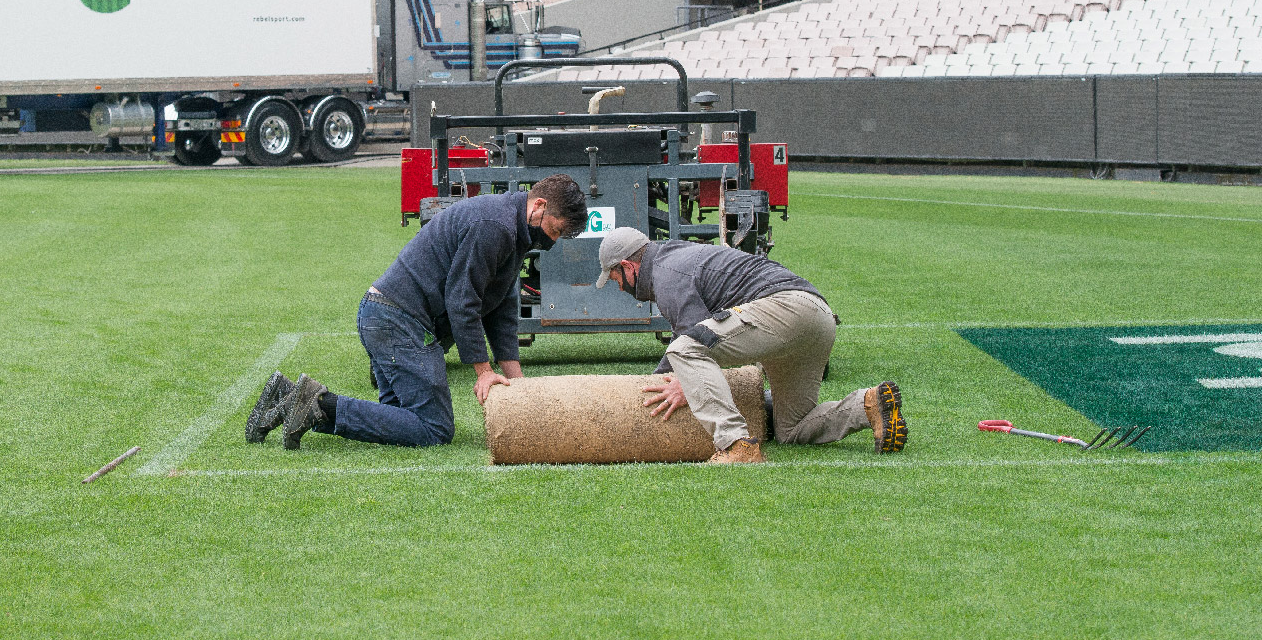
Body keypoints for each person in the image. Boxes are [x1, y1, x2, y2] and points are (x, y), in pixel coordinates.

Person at [246, 174, 589, 449]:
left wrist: (517, 383)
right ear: (539, 205)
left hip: (387, 317)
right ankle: (317, 404)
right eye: (555, 230)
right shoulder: (494, 226)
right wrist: (484, 372)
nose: (553, 240)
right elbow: (462, 300)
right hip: (397, 321)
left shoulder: (512, 231)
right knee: (434, 428)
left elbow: (499, 308)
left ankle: (288, 396)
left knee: (399, 421)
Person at [593, 226, 905, 464]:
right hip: (818, 318)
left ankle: (735, 444)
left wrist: (677, 382)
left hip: (786, 310)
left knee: (684, 350)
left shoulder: (666, 272)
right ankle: (867, 406)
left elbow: (691, 335)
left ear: (628, 266)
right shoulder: (674, 258)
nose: (618, 286)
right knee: (791, 430)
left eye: (614, 277)